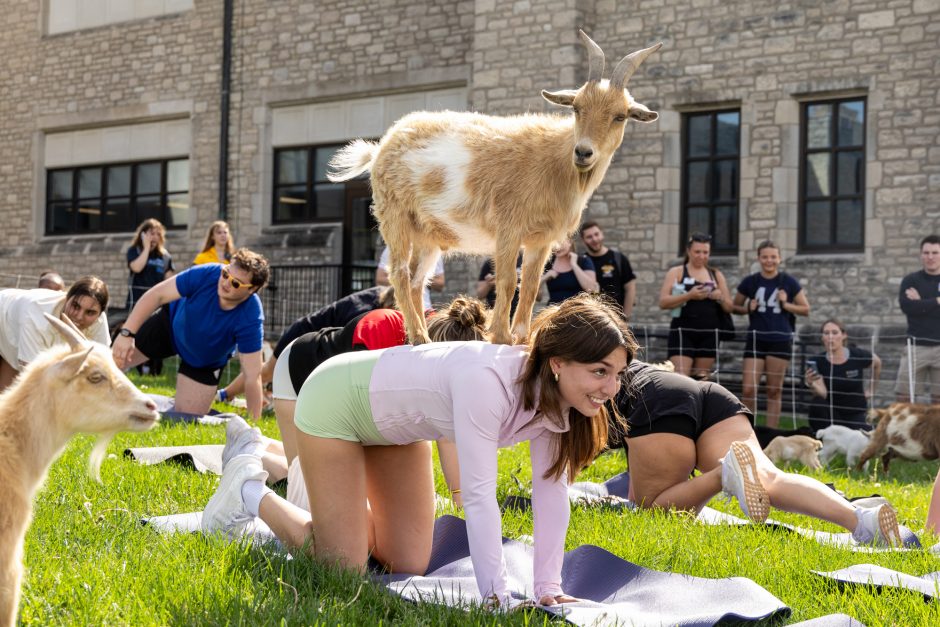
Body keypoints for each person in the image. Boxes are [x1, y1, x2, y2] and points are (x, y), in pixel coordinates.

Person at [201, 293, 635, 607]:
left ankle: (339, 515)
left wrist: (548, 588)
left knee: (407, 562)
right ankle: (249, 490)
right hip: (335, 401)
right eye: (600, 371)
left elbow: (551, 494)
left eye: (617, 373)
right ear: (558, 363)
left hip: (396, 429)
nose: (611, 388)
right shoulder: (490, 382)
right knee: (345, 569)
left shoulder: (559, 406)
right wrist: (497, 596)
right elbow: (480, 497)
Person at [222, 296, 491, 511]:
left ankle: (260, 442)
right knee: (305, 493)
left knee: (350, 480)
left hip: (339, 394)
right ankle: (250, 456)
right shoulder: (384, 331)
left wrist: (460, 500)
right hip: (299, 378)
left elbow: (447, 433)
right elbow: (349, 404)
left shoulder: (436, 357)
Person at [618, 360, 901, 547]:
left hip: (656, 397)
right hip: (710, 394)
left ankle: (724, 473)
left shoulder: (592, 380)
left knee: (655, 511)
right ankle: (862, 522)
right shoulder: (630, 366)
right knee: (771, 480)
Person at [112, 249, 269, 420]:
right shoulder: (207, 273)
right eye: (225, 274)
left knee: (186, 416)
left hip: (204, 361)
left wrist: (254, 425)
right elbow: (157, 295)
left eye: (236, 283)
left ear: (252, 289)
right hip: (170, 328)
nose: (225, 283)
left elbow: (252, 376)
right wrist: (126, 334)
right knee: (111, 363)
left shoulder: (251, 316)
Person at [217, 286, 395, 402]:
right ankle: (225, 394)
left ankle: (259, 396)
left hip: (319, 339)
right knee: (268, 371)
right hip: (304, 333)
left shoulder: (376, 294)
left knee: (272, 373)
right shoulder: (367, 313)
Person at [732, 240, 810, 428]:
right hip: (756, 340)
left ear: (779, 258)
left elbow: (805, 309)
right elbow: (735, 307)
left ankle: (770, 434)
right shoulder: (750, 282)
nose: (769, 261)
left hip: (780, 340)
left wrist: (786, 304)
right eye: (765, 257)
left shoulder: (788, 282)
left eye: (773, 257)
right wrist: (747, 309)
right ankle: (747, 431)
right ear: (759, 258)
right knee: (749, 390)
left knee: (774, 390)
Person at [0, 277, 111, 390]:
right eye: (75, 306)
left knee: (7, 392)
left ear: (100, 313)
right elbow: (35, 377)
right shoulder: (35, 317)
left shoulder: (100, 320)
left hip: (13, 333)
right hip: (3, 311)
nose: (79, 316)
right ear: (67, 298)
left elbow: (103, 368)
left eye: (90, 312)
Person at [658, 233, 734, 379]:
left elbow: (729, 307)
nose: (701, 256)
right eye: (697, 252)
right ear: (688, 251)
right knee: (680, 379)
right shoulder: (677, 272)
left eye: (705, 252)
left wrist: (720, 297)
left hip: (709, 333)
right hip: (682, 332)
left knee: (701, 380)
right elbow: (663, 302)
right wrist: (689, 295)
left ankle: (698, 403)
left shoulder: (716, 274)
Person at [804, 319, 881, 432]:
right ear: (822, 337)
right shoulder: (817, 361)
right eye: (826, 333)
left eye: (835, 333)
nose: (830, 337)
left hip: (856, 414)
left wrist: (871, 390)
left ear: (844, 335)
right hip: (832, 414)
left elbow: (877, 363)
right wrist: (811, 384)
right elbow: (823, 394)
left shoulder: (857, 355)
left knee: (866, 439)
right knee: (817, 403)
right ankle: (821, 438)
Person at [895, 234, 940, 403]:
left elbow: (917, 308)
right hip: (915, 347)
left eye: (935, 253)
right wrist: (936, 300)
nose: (930, 257)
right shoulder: (911, 280)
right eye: (926, 253)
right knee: (904, 397)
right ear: (921, 254)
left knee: (938, 401)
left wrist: (921, 303)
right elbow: (907, 307)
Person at [580, 221, 636, 319]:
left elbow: (630, 289)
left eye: (596, 234)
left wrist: (625, 318)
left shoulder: (618, 258)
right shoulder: (581, 262)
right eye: (589, 237)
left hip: (616, 319)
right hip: (590, 320)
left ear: (602, 234)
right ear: (583, 240)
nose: (594, 239)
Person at [375, 245, 444, 311]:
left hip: (424, 307)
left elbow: (440, 283)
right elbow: (380, 279)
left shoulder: (433, 249)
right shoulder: (393, 247)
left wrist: (420, 276)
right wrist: (403, 278)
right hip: (397, 307)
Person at [126, 218, 175, 308]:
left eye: (158, 234)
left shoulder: (165, 256)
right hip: (136, 302)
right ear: (143, 235)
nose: (155, 237)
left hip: (156, 304)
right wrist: (147, 248)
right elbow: (137, 268)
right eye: (152, 233)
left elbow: (169, 281)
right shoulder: (134, 250)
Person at [540, 238, 598, 305]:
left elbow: (592, 289)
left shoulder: (583, 260)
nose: (556, 247)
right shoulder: (547, 264)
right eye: (553, 243)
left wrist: (574, 265)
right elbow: (538, 298)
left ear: (570, 242)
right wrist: (544, 278)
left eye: (560, 242)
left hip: (577, 311)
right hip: (554, 312)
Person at [476, 253, 523, 317]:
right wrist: (489, 284)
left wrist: (522, 280)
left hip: (518, 316)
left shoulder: (524, 261)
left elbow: (538, 296)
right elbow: (479, 295)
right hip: (493, 315)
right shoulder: (490, 263)